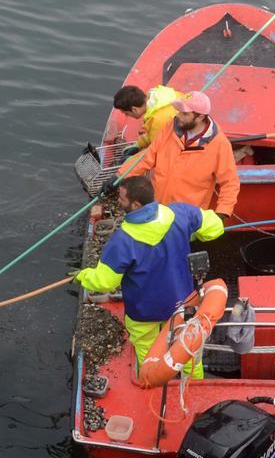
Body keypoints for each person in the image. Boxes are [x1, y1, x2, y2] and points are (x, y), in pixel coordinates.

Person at [72, 175, 225, 379]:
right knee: (187, 348)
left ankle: (151, 387)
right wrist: (193, 234)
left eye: (122, 198)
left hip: (145, 310)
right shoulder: (180, 213)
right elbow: (215, 228)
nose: (118, 201)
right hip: (183, 302)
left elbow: (105, 281)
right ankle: (194, 388)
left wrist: (82, 276)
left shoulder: (122, 241)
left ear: (135, 204)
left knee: (147, 350)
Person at [122, 90, 239, 219]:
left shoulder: (220, 144)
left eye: (185, 114)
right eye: (179, 111)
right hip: (157, 208)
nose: (178, 116)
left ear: (200, 117)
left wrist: (222, 213)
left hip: (185, 218)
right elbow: (148, 156)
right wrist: (121, 175)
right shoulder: (171, 126)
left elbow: (230, 183)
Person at [112, 84, 182, 152]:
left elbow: (156, 149)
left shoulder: (157, 119)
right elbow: (153, 133)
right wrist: (139, 144)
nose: (127, 116)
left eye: (126, 113)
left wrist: (133, 159)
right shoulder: (162, 96)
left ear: (134, 110)